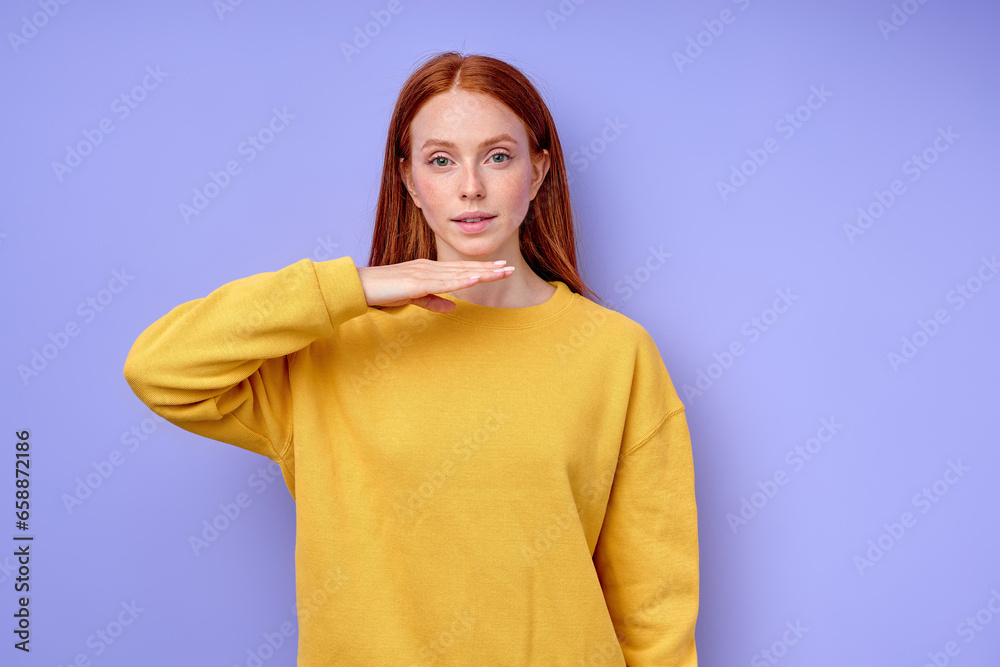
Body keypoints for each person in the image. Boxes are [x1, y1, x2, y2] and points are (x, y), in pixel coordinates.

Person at [123, 50, 699, 666]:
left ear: (539, 170)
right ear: (408, 180)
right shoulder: (332, 347)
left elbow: (654, 605)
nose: (470, 186)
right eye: (441, 160)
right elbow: (159, 368)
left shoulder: (615, 352)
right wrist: (353, 287)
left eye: (498, 156)